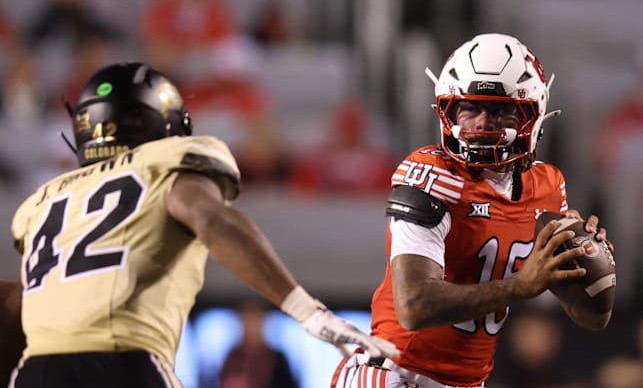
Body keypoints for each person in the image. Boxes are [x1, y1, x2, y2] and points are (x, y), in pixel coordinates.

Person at [6, 62, 398, 388]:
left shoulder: (42, 201)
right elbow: (209, 218)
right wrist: (308, 312)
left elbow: (27, 302)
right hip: (122, 359)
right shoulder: (165, 162)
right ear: (163, 125)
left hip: (34, 371)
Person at [331, 33, 614, 388]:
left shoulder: (548, 186)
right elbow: (414, 305)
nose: (481, 123)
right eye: (469, 109)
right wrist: (520, 286)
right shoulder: (432, 174)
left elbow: (592, 318)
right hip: (391, 375)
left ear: (533, 115)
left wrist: (588, 260)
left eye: (499, 111)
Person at [219, 300, 298, 388]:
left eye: (254, 320)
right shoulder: (233, 355)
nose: (251, 327)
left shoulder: (277, 358)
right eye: (246, 320)